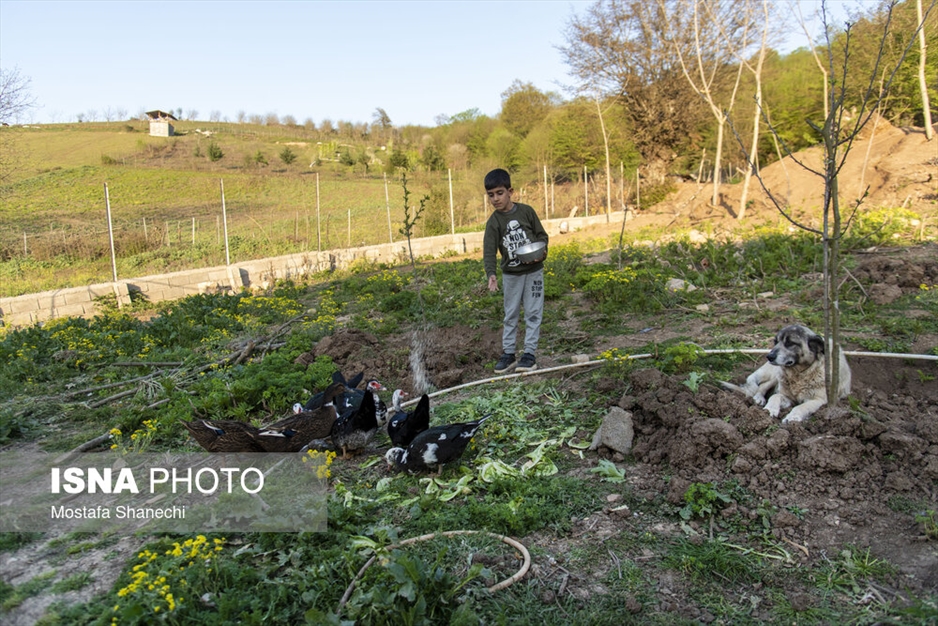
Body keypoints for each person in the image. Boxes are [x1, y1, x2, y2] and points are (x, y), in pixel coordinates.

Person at [483, 168, 549, 374]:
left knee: (533, 312)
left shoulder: (526, 212)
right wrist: (491, 274)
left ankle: (529, 354)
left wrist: (542, 252)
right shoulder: (494, 222)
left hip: (533, 272)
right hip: (511, 275)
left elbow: (542, 236)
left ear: (510, 191)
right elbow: (489, 251)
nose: (495, 199)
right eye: (491, 195)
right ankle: (509, 354)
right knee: (510, 314)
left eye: (500, 193)